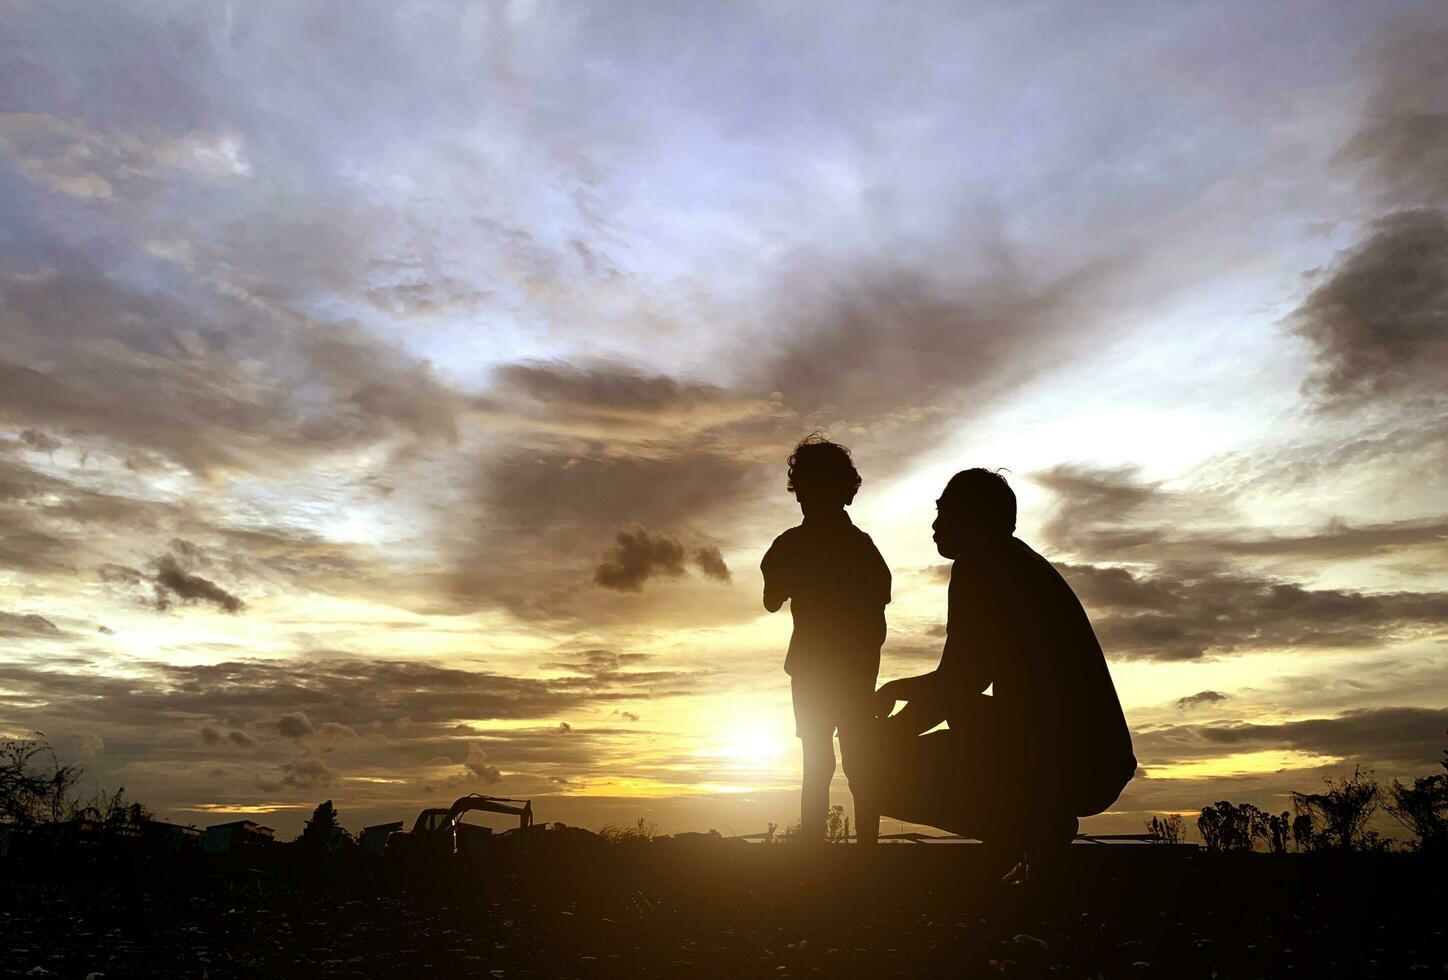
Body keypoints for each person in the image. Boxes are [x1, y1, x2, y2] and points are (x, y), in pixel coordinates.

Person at [871, 468, 1136, 877]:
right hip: (1091, 755)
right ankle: (1034, 843)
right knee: (962, 719)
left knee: (884, 774)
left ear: (974, 520)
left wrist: (887, 739)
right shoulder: (1013, 562)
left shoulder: (982, 568)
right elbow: (960, 681)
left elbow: (959, 683)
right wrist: (899, 691)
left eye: (945, 513)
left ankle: (1035, 835)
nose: (935, 525)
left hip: (1074, 759)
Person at [761, 435, 891, 845]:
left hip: (827, 667)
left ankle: (826, 848)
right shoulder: (858, 545)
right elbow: (879, 604)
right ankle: (850, 847)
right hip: (837, 667)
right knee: (846, 759)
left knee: (828, 760)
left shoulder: (794, 545)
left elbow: (770, 599)